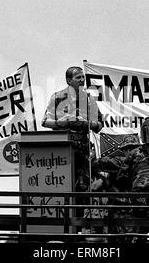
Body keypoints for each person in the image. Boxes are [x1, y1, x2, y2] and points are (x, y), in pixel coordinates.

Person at [42, 66, 104, 218]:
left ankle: (81, 220)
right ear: (69, 80)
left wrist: (87, 123)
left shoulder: (89, 99)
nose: (82, 80)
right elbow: (44, 121)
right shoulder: (57, 97)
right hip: (62, 147)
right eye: (78, 78)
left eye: (83, 77)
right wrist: (64, 123)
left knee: (84, 185)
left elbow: (100, 125)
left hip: (83, 147)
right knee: (61, 184)